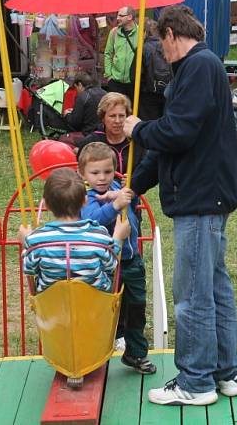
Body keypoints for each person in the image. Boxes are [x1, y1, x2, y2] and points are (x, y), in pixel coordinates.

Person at [125, 5, 237, 406]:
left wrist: (138, 128)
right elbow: (171, 145)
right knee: (213, 286)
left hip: (200, 196)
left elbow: (176, 132)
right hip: (205, 192)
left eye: (161, 43)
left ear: (172, 34)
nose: (162, 51)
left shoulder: (198, 66)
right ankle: (225, 373)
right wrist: (133, 188)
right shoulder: (199, 68)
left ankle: (196, 382)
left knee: (192, 294)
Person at [78, 142, 157, 375]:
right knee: (100, 311)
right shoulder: (85, 197)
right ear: (82, 173)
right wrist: (114, 205)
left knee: (136, 307)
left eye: (107, 171)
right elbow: (92, 220)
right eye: (95, 173)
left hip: (131, 261)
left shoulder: (116, 187)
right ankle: (90, 353)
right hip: (105, 265)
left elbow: (131, 209)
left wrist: (129, 196)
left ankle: (135, 352)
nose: (102, 178)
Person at [20, 168, 129, 294]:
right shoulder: (99, 235)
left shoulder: (36, 239)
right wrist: (118, 237)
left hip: (53, 304)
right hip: (95, 303)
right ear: (85, 201)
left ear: (46, 205)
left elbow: (29, 269)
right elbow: (111, 265)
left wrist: (26, 243)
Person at [77, 93, 144, 175]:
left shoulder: (137, 142)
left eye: (122, 116)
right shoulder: (90, 143)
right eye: (112, 116)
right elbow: (81, 174)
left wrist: (134, 180)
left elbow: (146, 173)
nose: (117, 121)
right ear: (103, 118)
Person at [138, 19, 171, 121]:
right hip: (166, 90)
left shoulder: (143, 48)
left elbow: (135, 74)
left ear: (144, 32)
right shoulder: (168, 46)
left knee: (149, 123)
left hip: (147, 92)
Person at [104, 6, 138, 100]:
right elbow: (108, 53)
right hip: (115, 81)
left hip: (134, 82)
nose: (117, 18)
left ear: (130, 17)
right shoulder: (114, 32)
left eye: (121, 16)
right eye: (117, 15)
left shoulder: (140, 32)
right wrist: (109, 75)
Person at [63, 72, 106, 142]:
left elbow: (75, 123)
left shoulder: (82, 96)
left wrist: (67, 115)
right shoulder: (105, 93)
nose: (76, 91)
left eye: (76, 88)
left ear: (79, 84)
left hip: (88, 134)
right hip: (104, 133)